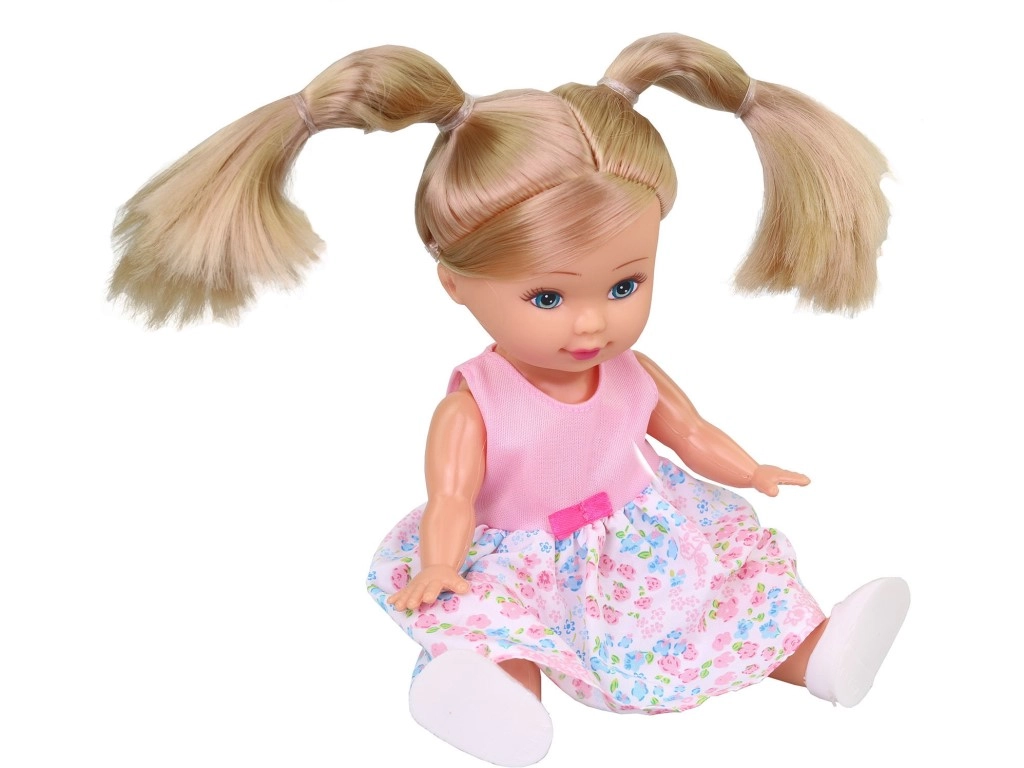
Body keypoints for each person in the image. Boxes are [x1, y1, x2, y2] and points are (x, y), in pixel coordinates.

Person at [109, 33, 910, 767]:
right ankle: (500, 706)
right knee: (494, 620)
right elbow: (452, 498)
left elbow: (689, 432)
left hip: (638, 534)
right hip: (519, 551)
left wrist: (750, 469)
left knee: (724, 588)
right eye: (548, 298)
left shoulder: (633, 373)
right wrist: (438, 563)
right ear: (456, 284)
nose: (593, 323)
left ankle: (818, 655)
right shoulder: (475, 404)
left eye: (625, 285)